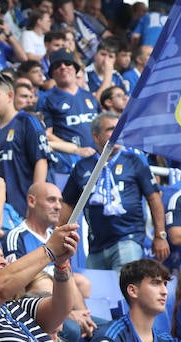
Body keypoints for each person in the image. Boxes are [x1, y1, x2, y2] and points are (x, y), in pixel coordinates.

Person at [62, 113, 168, 270]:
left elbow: (154, 198)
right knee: (99, 294)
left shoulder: (134, 161)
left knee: (125, 291)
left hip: (128, 239)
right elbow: (68, 205)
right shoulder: (82, 167)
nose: (117, 134)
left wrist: (160, 235)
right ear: (96, 136)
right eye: (111, 129)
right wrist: (61, 238)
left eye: (119, 129)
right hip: (95, 246)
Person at [0, 70, 51, 218]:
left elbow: (41, 161)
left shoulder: (28, 122)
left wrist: (35, 205)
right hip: (1, 213)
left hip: (25, 211)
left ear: (10, 95)